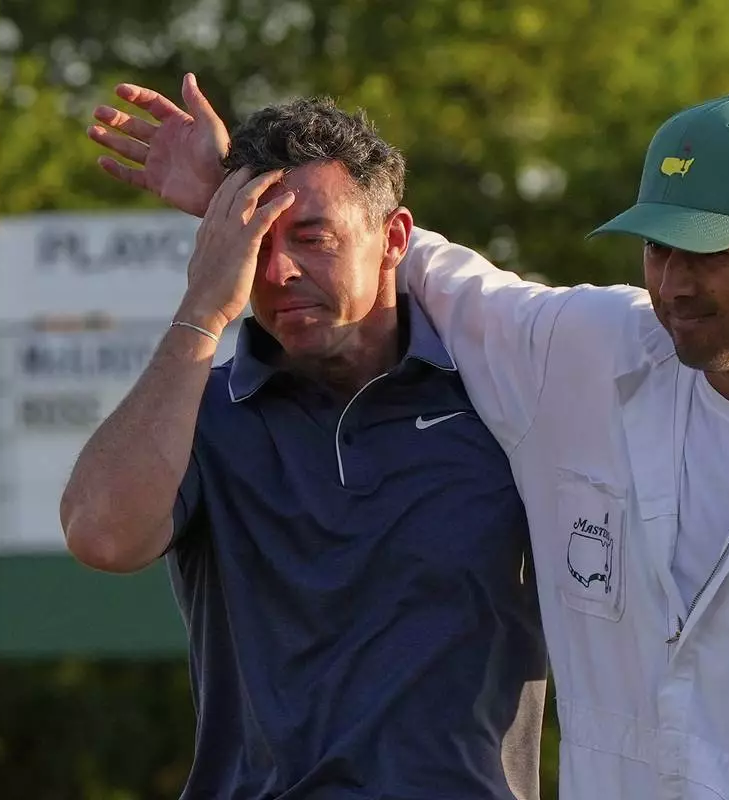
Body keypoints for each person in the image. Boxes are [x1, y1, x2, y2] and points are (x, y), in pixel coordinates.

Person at [90, 76, 729, 799]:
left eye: (709, 252)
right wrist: (243, 193)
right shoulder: (589, 355)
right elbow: (401, 257)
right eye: (657, 247)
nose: (674, 283)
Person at [64, 93, 547, 800]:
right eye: (257, 244)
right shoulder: (202, 413)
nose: (278, 271)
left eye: (314, 238)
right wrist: (202, 307)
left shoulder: (501, 402)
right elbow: (101, 535)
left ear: (394, 238)